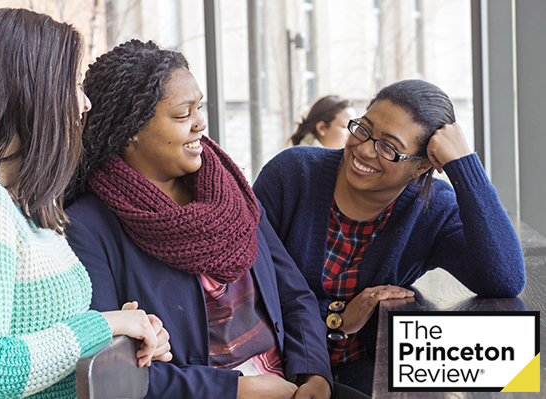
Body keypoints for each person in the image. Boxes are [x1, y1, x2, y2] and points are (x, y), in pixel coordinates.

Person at [0, 9, 170, 398]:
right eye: (74, 84)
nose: (85, 103)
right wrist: (104, 325)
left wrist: (127, 332)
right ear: (32, 91)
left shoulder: (24, 205)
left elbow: (50, 346)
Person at [64, 39, 334, 399]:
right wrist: (237, 391)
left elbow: (294, 294)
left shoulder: (232, 190)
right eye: (182, 114)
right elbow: (116, 371)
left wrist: (314, 371)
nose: (200, 123)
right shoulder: (87, 227)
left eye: (199, 108)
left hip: (289, 383)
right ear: (130, 130)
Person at [253, 79, 526, 395]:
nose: (365, 149)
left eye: (388, 147)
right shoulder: (292, 174)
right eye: (362, 129)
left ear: (421, 166)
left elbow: (503, 279)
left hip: (366, 371)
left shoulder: (432, 208)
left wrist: (463, 165)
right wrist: (336, 318)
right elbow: (246, 286)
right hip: (275, 370)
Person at [290, 95, 355, 149]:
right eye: (345, 126)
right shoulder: (302, 160)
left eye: (353, 126)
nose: (351, 133)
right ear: (321, 128)